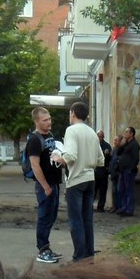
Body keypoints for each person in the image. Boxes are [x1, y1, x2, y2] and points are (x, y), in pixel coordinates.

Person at [51, 101, 104, 262]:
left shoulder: (71, 130)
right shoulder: (92, 132)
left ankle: (79, 257)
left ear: (73, 113)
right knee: (87, 219)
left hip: (75, 180)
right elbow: (101, 160)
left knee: (75, 220)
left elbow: (71, 156)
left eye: (70, 114)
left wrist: (58, 158)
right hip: (90, 179)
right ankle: (89, 255)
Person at [27, 106, 64, 264]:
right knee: (44, 217)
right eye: (45, 120)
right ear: (36, 121)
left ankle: (47, 247)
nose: (49, 122)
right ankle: (42, 250)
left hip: (54, 183)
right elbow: (35, 166)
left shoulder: (49, 135)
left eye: (49, 119)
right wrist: (46, 187)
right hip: (45, 186)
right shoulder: (34, 139)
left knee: (52, 216)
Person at [114, 126, 140, 216]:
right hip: (122, 170)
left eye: (126, 132)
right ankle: (123, 207)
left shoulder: (134, 144)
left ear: (131, 134)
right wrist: (123, 143)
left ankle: (129, 209)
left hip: (128, 171)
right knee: (121, 189)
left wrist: (131, 168)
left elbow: (136, 158)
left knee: (129, 190)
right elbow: (118, 152)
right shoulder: (126, 144)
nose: (125, 133)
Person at [94, 130, 112, 212]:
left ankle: (100, 207)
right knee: (92, 190)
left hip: (103, 172)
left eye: (102, 136)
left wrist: (107, 154)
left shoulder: (107, 146)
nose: (100, 138)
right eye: (99, 136)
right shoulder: (92, 145)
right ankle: (89, 206)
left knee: (102, 190)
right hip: (94, 171)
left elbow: (109, 159)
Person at [107, 133, 123, 212]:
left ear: (120, 141)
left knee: (119, 191)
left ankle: (120, 207)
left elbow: (119, 161)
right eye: (114, 140)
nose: (114, 142)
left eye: (116, 140)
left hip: (118, 174)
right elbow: (111, 161)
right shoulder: (114, 149)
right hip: (113, 174)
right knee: (114, 191)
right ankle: (115, 206)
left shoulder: (121, 150)